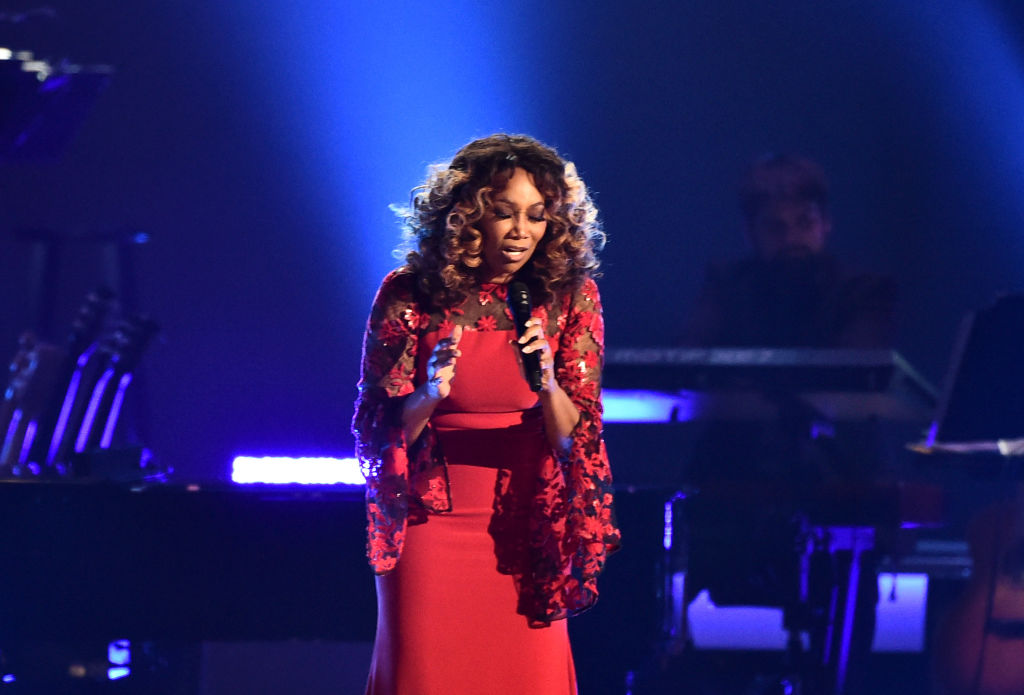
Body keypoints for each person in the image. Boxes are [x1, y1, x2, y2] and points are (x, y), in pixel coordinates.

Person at [351, 133, 620, 695]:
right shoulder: (410, 295)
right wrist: (429, 393)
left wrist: (548, 384)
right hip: (430, 533)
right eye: (504, 213)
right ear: (467, 217)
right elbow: (378, 433)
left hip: (525, 533)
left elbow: (580, 443)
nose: (521, 231)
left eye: (537, 216)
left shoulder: (571, 297)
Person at [679, 153, 896, 694]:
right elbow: (688, 363)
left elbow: (854, 375)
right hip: (736, 473)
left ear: (826, 225)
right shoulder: (727, 284)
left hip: (833, 472)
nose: (792, 236)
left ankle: (842, 675)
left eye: (803, 222)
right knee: (675, 529)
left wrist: (758, 389)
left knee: (853, 540)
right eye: (776, 226)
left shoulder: (862, 290)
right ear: (752, 234)